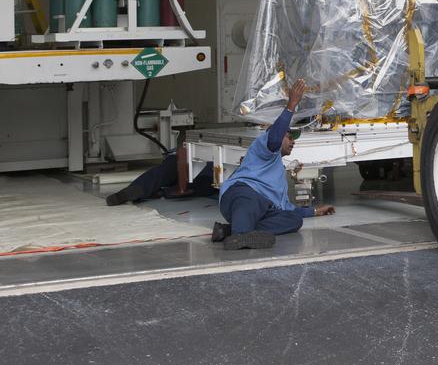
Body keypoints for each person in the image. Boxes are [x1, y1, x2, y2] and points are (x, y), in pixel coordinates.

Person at [213, 79, 336, 250]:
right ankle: (239, 235)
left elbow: (288, 209)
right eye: (289, 136)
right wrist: (291, 105)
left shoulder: (279, 175)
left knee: (293, 220)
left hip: (262, 208)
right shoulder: (263, 147)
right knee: (251, 199)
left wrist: (315, 211)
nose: (292, 141)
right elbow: (274, 138)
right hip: (240, 195)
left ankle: (231, 231)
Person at [104, 152, 215, 206]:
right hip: (206, 171)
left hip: (181, 157)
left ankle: (138, 188)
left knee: (161, 173)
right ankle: (163, 192)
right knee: (210, 184)